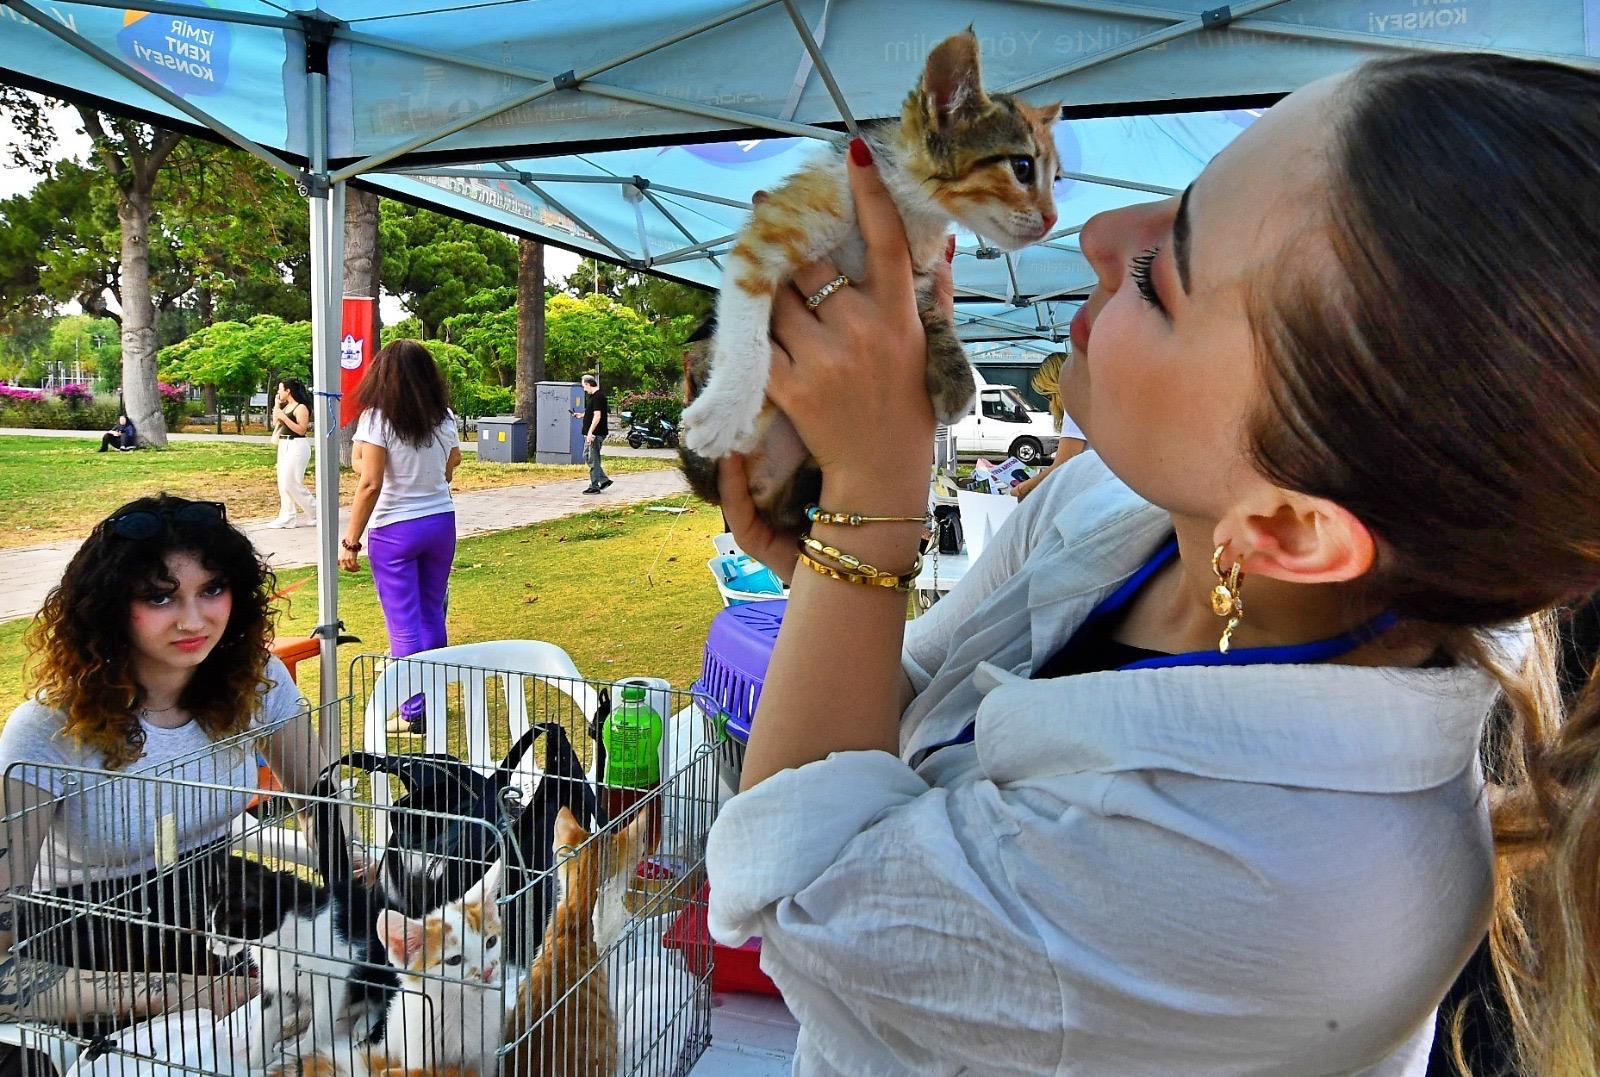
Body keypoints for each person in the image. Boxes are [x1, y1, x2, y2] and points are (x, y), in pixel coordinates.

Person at [704, 54, 1600, 1076]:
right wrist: (835, 577)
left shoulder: (1275, 888)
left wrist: (870, 503)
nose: (1094, 233)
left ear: (1290, 532)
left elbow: (798, 893)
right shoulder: (1125, 511)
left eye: (1161, 274)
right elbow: (910, 696)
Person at [0, 494, 330, 1027]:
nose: (193, 619)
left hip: (223, 907)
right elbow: (5, 972)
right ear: (107, 607)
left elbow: (321, 800)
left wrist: (353, 875)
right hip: (91, 943)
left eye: (213, 590)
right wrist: (189, 994)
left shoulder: (257, 680)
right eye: (160, 598)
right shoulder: (46, 730)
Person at [340, 340, 461, 734]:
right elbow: (453, 461)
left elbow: (370, 482)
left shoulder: (378, 418)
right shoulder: (443, 417)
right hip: (440, 522)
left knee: (404, 624)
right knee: (431, 614)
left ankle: (415, 713)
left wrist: (350, 540)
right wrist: (431, 484)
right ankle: (433, 700)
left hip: (395, 530)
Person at [1011, 352, 1086, 501]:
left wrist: (1023, 487)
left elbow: (1062, 465)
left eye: (1049, 395)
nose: (1050, 403)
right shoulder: (1089, 401)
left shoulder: (1075, 408)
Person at [265, 378, 316, 529]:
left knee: (291, 481)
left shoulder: (300, 408)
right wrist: (277, 406)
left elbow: (301, 429)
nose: (279, 392)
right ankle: (287, 516)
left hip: (297, 445)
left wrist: (284, 417)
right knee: (283, 482)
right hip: (283, 444)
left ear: (288, 391)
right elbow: (275, 423)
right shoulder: (285, 407)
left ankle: (315, 511)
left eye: (281, 389)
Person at [574, 372, 612, 494]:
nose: (584, 389)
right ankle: (604, 480)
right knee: (587, 456)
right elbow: (592, 412)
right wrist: (582, 415)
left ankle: (594, 486)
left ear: (589, 384)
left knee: (593, 459)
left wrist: (590, 433)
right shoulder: (595, 397)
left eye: (584, 386)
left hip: (595, 434)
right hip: (592, 434)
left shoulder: (598, 396)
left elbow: (597, 416)